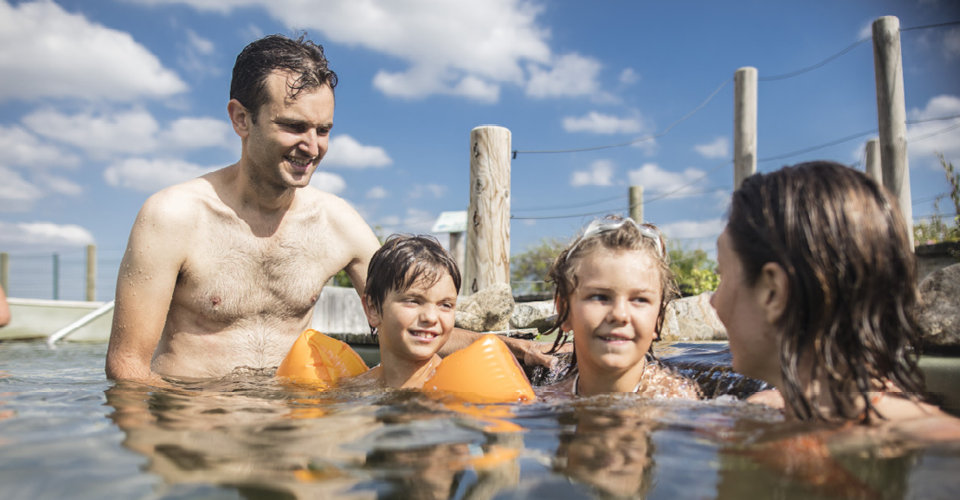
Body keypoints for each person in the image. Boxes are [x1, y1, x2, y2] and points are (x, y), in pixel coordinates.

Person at [105, 34, 550, 384]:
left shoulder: (337, 224)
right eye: (293, 126)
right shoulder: (172, 216)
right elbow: (127, 369)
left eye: (323, 130)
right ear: (241, 118)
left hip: (297, 418)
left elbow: (411, 315)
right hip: (192, 416)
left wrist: (511, 347)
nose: (312, 146)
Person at [711, 160, 960, 433]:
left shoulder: (942, 448)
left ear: (773, 292)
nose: (713, 301)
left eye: (722, 275)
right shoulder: (778, 417)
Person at [543, 216, 700, 399]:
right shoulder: (546, 401)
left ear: (658, 317)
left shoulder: (679, 405)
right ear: (565, 311)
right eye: (599, 297)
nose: (619, 314)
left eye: (640, 300)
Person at [354, 234, 460, 389]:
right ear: (373, 309)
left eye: (445, 305)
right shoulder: (357, 387)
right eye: (413, 301)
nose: (430, 317)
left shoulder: (458, 386)